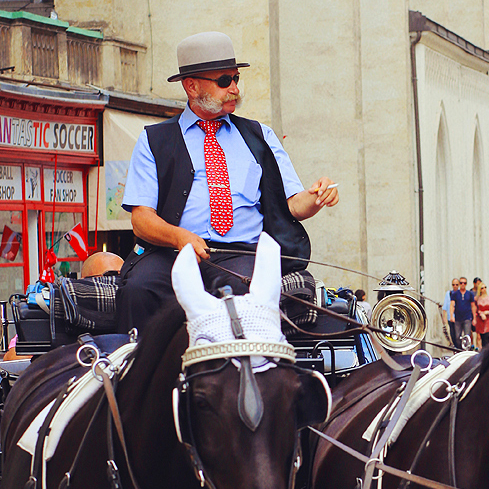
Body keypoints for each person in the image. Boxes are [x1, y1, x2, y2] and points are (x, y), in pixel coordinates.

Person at [116, 31, 338, 332]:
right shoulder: (154, 140)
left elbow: (294, 205)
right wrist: (180, 237)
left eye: (235, 78)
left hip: (240, 253)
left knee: (244, 296)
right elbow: (142, 220)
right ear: (191, 86)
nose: (234, 88)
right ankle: (140, 372)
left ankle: (245, 375)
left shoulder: (260, 136)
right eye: (224, 81)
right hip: (172, 252)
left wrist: (317, 197)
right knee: (138, 289)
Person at [451, 276, 475, 347]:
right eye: (461, 283)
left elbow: (473, 306)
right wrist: (452, 315)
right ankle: (459, 349)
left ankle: (466, 349)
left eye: (464, 283)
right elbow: (452, 305)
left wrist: (474, 318)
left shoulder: (469, 294)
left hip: (467, 317)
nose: (463, 284)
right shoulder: (455, 294)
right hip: (458, 318)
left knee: (467, 336)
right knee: (457, 336)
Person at [473, 281, 489, 349]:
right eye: (482, 288)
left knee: (487, 337)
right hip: (480, 319)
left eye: (485, 287)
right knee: (481, 337)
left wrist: (487, 312)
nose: (484, 289)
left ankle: (487, 352)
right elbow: (475, 309)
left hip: (487, 319)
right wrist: (480, 313)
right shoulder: (477, 299)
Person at [443, 278, 460, 346]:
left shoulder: (460, 293)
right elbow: (445, 306)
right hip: (451, 317)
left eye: (456, 284)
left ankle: (459, 348)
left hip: (459, 317)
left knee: (458, 335)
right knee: (452, 334)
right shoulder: (449, 293)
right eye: (453, 285)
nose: (455, 286)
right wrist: (444, 318)